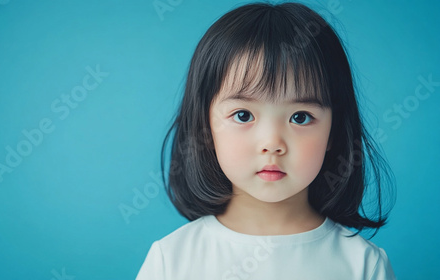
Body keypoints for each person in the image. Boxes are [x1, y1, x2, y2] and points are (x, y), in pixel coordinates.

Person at [137, 2, 396, 279]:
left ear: (333, 131)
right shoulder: (171, 260)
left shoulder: (363, 264)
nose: (272, 143)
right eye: (243, 115)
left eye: (300, 117)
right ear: (205, 127)